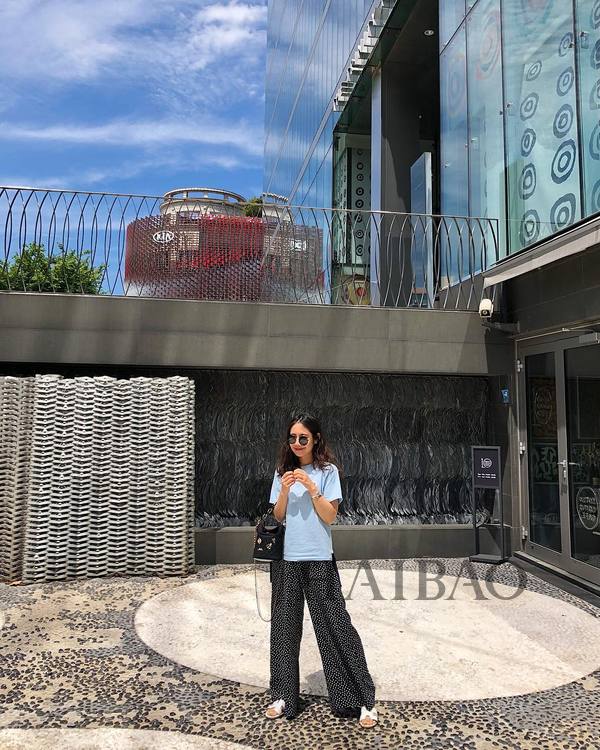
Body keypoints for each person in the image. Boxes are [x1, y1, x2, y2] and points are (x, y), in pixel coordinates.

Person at [264, 412, 378, 729]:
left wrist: (313, 488)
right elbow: (278, 515)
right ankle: (282, 696)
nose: (297, 443)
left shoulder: (328, 472)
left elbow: (330, 517)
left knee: (336, 627)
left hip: (318, 559)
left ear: (315, 440)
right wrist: (284, 490)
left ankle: (361, 700)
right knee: (284, 630)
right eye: (292, 438)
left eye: (303, 438)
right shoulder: (282, 472)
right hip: (286, 561)